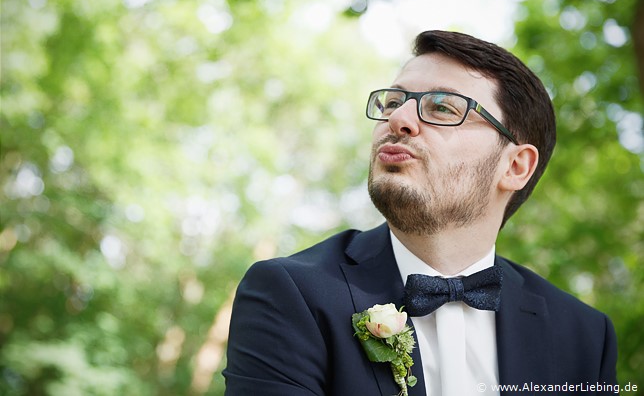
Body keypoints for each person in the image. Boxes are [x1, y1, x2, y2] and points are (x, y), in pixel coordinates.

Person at [222, 30, 618, 396]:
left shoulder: (584, 335)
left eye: (443, 107)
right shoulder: (290, 294)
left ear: (515, 167)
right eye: (393, 102)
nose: (398, 119)